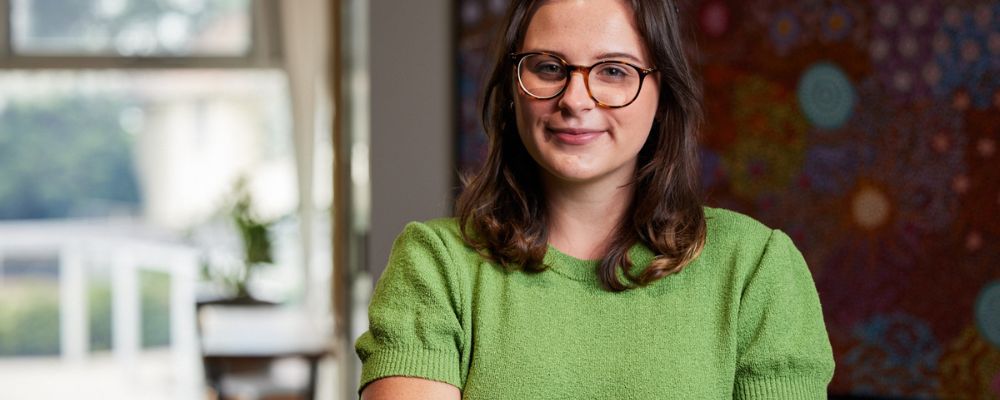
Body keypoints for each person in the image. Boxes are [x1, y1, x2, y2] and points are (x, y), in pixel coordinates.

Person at [355, 0, 835, 398]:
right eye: (548, 67)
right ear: (512, 88)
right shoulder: (435, 265)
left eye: (613, 71)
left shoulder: (756, 268)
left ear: (662, 94)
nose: (575, 99)